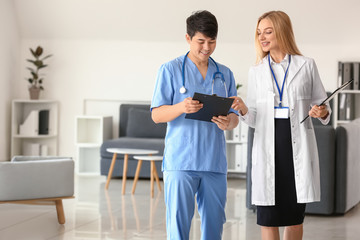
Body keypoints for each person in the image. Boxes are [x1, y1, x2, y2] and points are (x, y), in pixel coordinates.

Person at [231, 11, 331, 240]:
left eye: (268, 31)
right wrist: (244, 110)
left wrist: (321, 110)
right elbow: (254, 117)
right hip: (269, 144)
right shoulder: (256, 71)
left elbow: (322, 105)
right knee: (267, 218)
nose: (262, 37)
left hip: (296, 146)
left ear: (282, 31)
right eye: (259, 33)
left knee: (294, 218)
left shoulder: (306, 65)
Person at [151, 10, 239, 240]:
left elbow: (235, 117)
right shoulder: (169, 70)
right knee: (178, 227)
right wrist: (181, 107)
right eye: (201, 41)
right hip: (181, 162)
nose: (207, 48)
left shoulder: (225, 74)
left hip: (213, 162)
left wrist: (229, 122)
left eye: (212, 42)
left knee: (214, 228)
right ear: (188, 38)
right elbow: (157, 115)